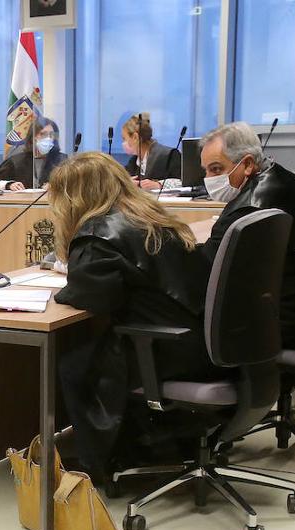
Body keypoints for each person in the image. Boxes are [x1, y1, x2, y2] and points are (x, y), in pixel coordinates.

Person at [51, 153, 217, 484]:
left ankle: (98, 461)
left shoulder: (98, 234)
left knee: (74, 362)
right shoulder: (154, 218)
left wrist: (63, 288)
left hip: (167, 350)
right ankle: (156, 443)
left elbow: (91, 298)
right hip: (204, 342)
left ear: (73, 197)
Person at [198, 122, 295, 349]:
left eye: (215, 169)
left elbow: (206, 272)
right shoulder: (283, 180)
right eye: (205, 170)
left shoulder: (248, 212)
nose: (208, 179)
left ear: (247, 164)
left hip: (276, 321)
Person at [0, 116, 67, 190]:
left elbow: (71, 184)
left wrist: (56, 185)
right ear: (33, 137)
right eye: (43, 134)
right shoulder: (17, 161)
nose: (48, 138)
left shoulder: (63, 161)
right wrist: (9, 185)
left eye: (52, 135)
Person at [122, 113, 181, 190]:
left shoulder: (169, 155)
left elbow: (183, 183)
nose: (123, 143)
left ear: (135, 137)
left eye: (124, 138)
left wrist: (159, 185)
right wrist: (127, 183)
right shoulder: (133, 162)